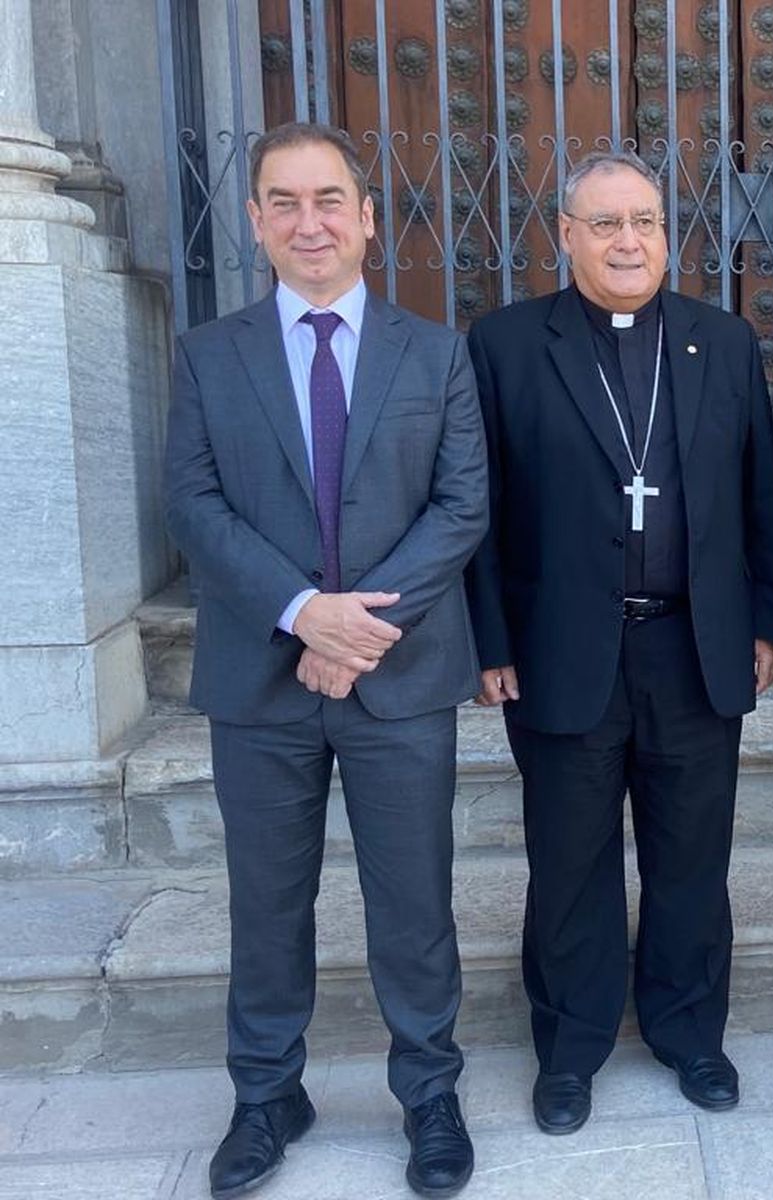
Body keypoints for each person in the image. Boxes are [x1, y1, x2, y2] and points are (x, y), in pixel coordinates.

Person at [165, 122, 487, 1198]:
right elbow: (195, 506)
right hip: (260, 682)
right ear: (254, 220)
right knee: (266, 901)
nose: (310, 222)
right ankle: (266, 1095)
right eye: (284, 201)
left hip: (400, 681)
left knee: (415, 901)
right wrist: (305, 614)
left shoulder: (436, 352)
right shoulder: (210, 356)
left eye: (329, 199)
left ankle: (429, 1094)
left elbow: (460, 507)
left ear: (365, 214)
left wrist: (356, 633)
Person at [464, 151, 773, 1135]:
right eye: (603, 223)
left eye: (644, 221)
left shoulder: (720, 342)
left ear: (668, 232)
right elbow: (476, 510)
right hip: (561, 647)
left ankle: (691, 1033)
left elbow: (756, 490)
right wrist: (487, 638)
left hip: (693, 648)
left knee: (694, 858)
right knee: (569, 862)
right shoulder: (508, 344)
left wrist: (766, 619)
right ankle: (570, 1047)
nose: (627, 241)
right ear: (565, 234)